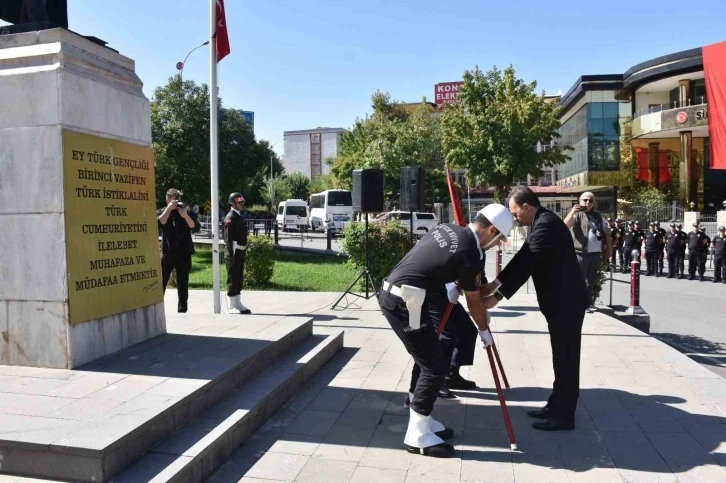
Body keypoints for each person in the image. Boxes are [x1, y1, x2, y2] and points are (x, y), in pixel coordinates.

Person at [378, 204, 513, 458]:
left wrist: (451, 283)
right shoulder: (469, 253)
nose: (497, 245)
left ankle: (423, 420)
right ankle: (417, 435)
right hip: (406, 304)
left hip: (405, 297)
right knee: (435, 366)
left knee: (430, 356)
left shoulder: (449, 229)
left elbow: (434, 261)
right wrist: (484, 331)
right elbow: (474, 301)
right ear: (491, 230)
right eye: (499, 239)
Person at [482, 186, 587, 431]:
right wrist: (494, 284)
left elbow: (527, 263)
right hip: (559, 303)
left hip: (567, 303)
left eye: (515, 213)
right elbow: (522, 257)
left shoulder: (546, 224)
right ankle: (555, 404)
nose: (515, 218)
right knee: (560, 357)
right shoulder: (540, 222)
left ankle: (564, 417)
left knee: (567, 359)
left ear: (527, 207)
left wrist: (496, 294)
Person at [564, 192, 612, 311]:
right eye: (585, 200)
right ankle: (577, 303)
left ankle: (587, 304)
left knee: (591, 280)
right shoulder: (577, 214)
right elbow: (565, 226)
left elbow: (606, 232)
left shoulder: (597, 215)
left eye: (590, 200)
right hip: (580, 252)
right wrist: (572, 212)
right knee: (579, 280)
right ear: (580, 201)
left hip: (595, 253)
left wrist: (609, 247)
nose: (587, 203)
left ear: (593, 202)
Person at [158, 188, 200, 313]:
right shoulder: (163, 211)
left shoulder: (186, 211)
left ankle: (182, 308)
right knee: (162, 280)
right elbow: (160, 223)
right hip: (168, 252)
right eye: (173, 199)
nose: (176, 202)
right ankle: (158, 306)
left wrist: (185, 216)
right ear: (167, 199)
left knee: (183, 282)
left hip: (183, 252)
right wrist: (168, 209)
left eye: (177, 199)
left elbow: (195, 227)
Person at [224, 193, 252, 314]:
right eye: (240, 202)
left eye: (242, 202)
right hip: (234, 251)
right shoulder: (230, 217)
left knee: (239, 278)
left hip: (240, 250)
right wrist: (231, 255)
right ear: (233, 203)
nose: (242, 204)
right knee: (232, 278)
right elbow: (228, 237)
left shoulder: (239, 215)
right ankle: (231, 305)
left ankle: (238, 303)